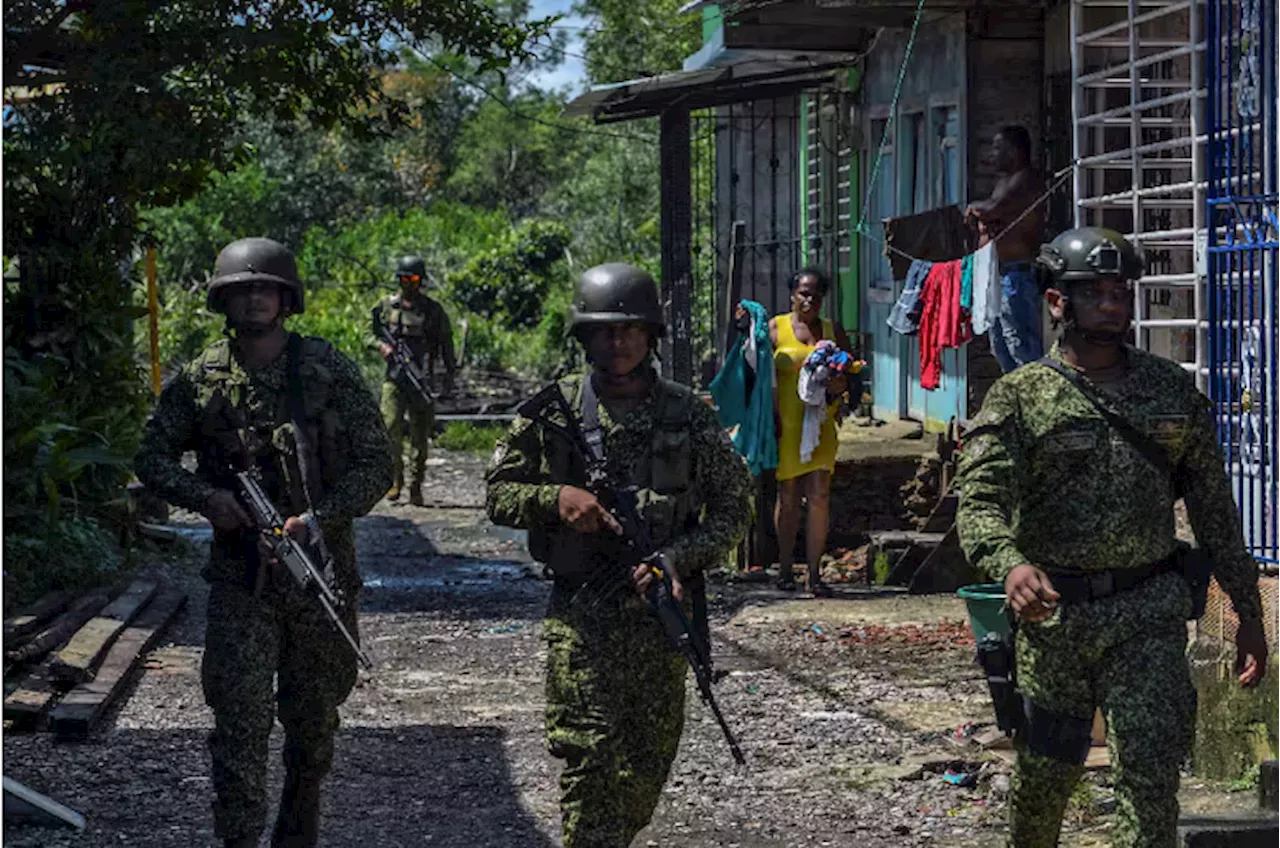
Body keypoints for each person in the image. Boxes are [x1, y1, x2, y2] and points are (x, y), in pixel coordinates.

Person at [955, 227, 1268, 848]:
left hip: (1147, 615)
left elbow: (1215, 514)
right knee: (1045, 782)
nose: (1111, 305)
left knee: (1150, 782)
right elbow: (980, 502)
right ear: (1056, 304)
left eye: (1119, 292)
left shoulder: (1170, 390)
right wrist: (1010, 565)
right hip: (1056, 625)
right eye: (1093, 293)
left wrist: (1247, 611)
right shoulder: (1022, 396)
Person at [135, 238, 392, 848]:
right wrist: (208, 500)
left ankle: (297, 834)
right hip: (240, 583)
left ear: (285, 297)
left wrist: (321, 517)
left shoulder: (325, 368)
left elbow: (377, 464)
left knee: (313, 728)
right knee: (239, 727)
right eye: (243, 289)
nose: (255, 298)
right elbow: (151, 455)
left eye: (266, 288)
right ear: (224, 299)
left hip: (320, 577)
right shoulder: (202, 379)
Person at [485, 263, 751, 848]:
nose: (618, 341)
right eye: (605, 330)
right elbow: (497, 492)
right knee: (589, 758)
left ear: (651, 334)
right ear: (584, 337)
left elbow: (735, 511)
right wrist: (555, 498)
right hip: (581, 614)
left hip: (662, 618)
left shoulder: (686, 412)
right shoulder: (551, 412)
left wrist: (678, 559)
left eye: (631, 328)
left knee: (644, 767)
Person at [770, 267, 854, 595]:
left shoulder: (833, 331)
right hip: (785, 425)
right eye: (804, 293)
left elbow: (852, 371)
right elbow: (755, 368)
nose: (810, 299)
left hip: (820, 423)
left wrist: (840, 384)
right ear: (792, 294)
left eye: (816, 294)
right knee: (788, 496)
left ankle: (815, 575)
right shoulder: (775, 328)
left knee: (819, 496)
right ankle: (786, 569)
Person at [371, 254, 457, 505]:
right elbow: (368, 331)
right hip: (395, 378)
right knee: (389, 428)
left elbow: (446, 343)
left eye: (415, 278)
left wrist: (449, 374)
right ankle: (395, 481)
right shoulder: (386, 306)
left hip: (421, 378)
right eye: (405, 278)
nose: (409, 283)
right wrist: (380, 346)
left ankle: (416, 486)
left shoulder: (432, 310)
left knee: (420, 435)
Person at [966, 125, 1047, 372]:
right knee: (999, 345)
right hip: (996, 273)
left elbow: (991, 210)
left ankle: (1034, 402)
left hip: (1017, 273)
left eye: (999, 148)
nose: (993, 154)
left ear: (1015, 150)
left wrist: (978, 211)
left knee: (1020, 343)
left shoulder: (1026, 179)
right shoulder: (1003, 180)